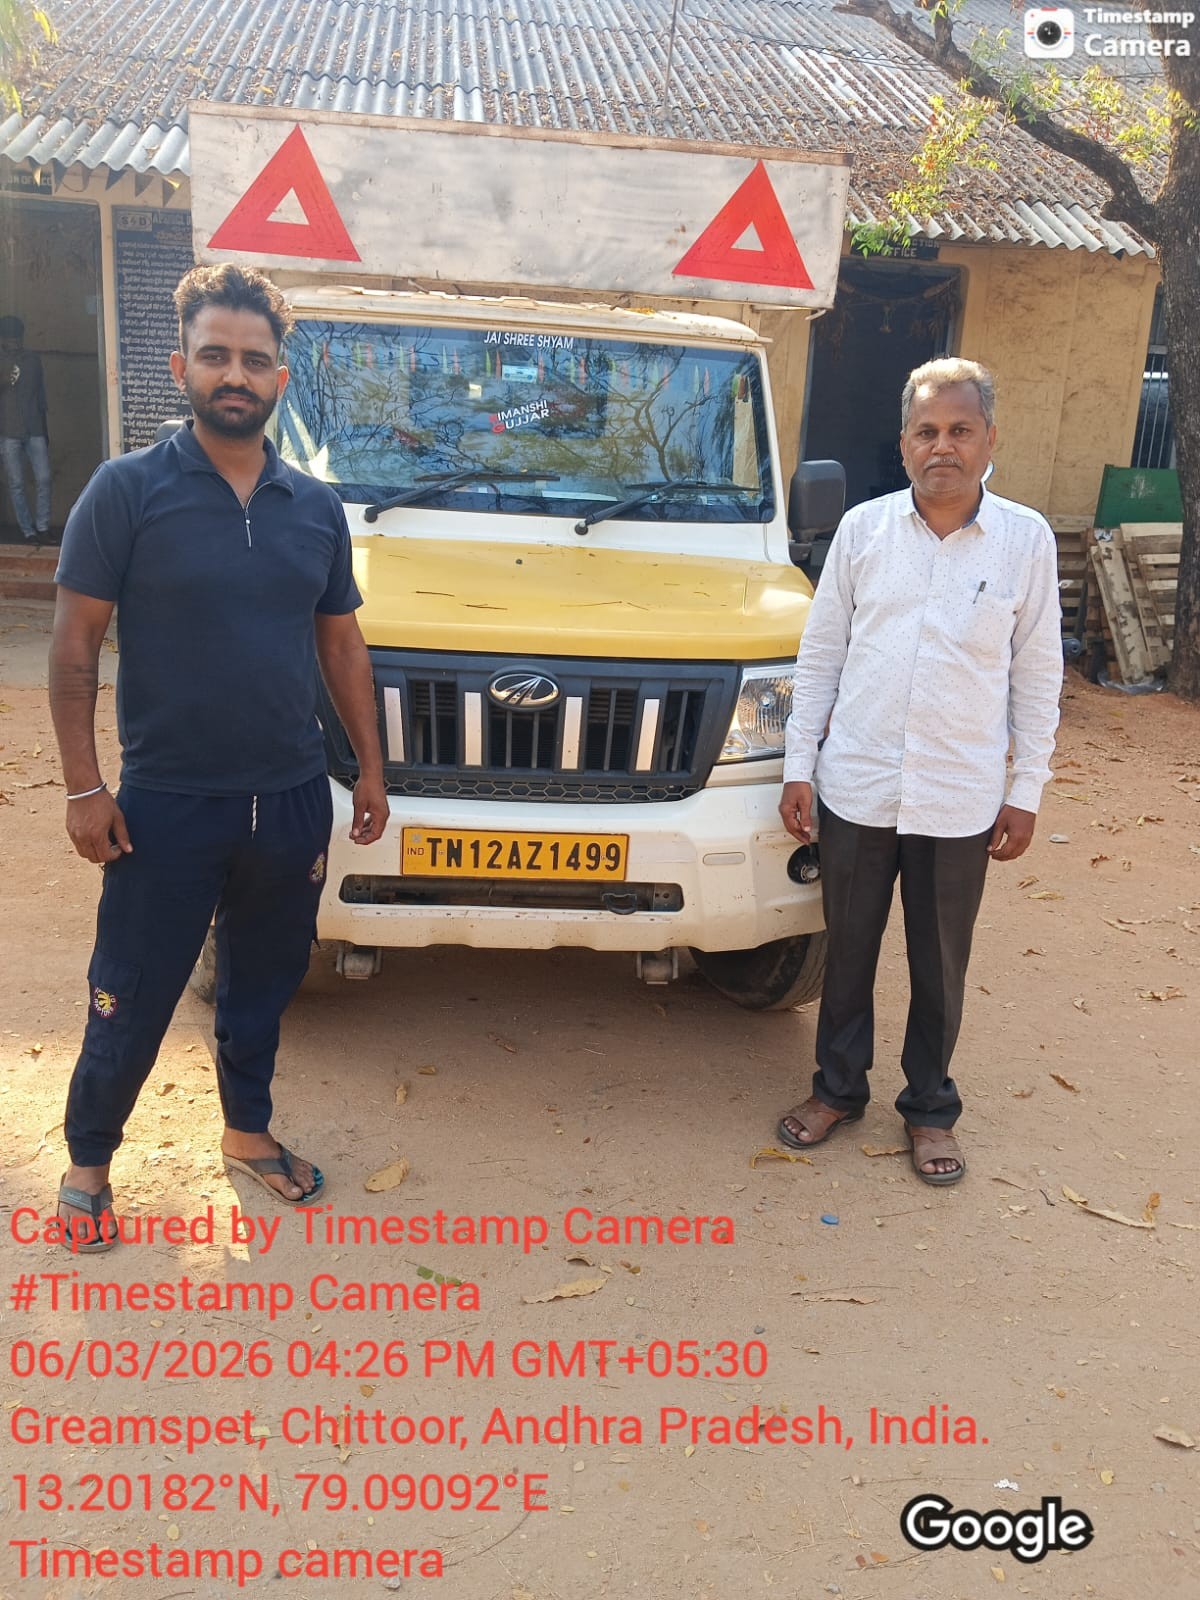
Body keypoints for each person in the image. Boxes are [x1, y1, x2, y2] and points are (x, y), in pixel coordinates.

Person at [49, 264, 387, 1250]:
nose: (234, 374)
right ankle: (88, 1162)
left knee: (263, 982)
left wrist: (370, 768)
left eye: (252, 359)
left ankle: (247, 1132)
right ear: (181, 368)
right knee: (131, 987)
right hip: (167, 804)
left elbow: (341, 645)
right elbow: (73, 649)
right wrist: (83, 787)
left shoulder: (313, 507)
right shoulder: (126, 492)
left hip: (289, 797)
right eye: (215, 356)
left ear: (280, 376)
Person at [776, 358, 1062, 1186]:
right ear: (903, 444)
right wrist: (799, 765)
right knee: (848, 950)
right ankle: (837, 1088)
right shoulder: (863, 532)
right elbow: (821, 656)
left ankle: (931, 1109)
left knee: (940, 962)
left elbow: (1038, 673)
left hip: (959, 796)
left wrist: (1025, 789)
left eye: (960, 430)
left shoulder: (1025, 541)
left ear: (989, 440)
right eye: (927, 432)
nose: (944, 447)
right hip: (857, 786)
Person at [0, 314, 52, 541]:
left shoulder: (33, 360)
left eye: (17, 338)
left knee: (44, 479)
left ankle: (42, 527)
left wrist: (45, 430)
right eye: (10, 338)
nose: (14, 342)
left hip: (34, 428)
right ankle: (28, 531)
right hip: (7, 431)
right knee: (16, 484)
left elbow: (41, 396)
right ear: (3, 339)